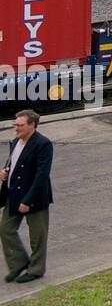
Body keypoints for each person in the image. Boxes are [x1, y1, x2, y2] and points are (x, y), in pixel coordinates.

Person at [0, 110, 53, 283]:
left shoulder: (43, 144)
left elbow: (42, 175)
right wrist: (5, 172)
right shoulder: (16, 141)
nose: (16, 128)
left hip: (34, 197)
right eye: (15, 124)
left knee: (37, 235)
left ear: (32, 125)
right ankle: (19, 263)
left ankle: (36, 269)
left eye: (20, 125)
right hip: (14, 194)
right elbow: (15, 164)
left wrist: (28, 200)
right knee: (6, 229)